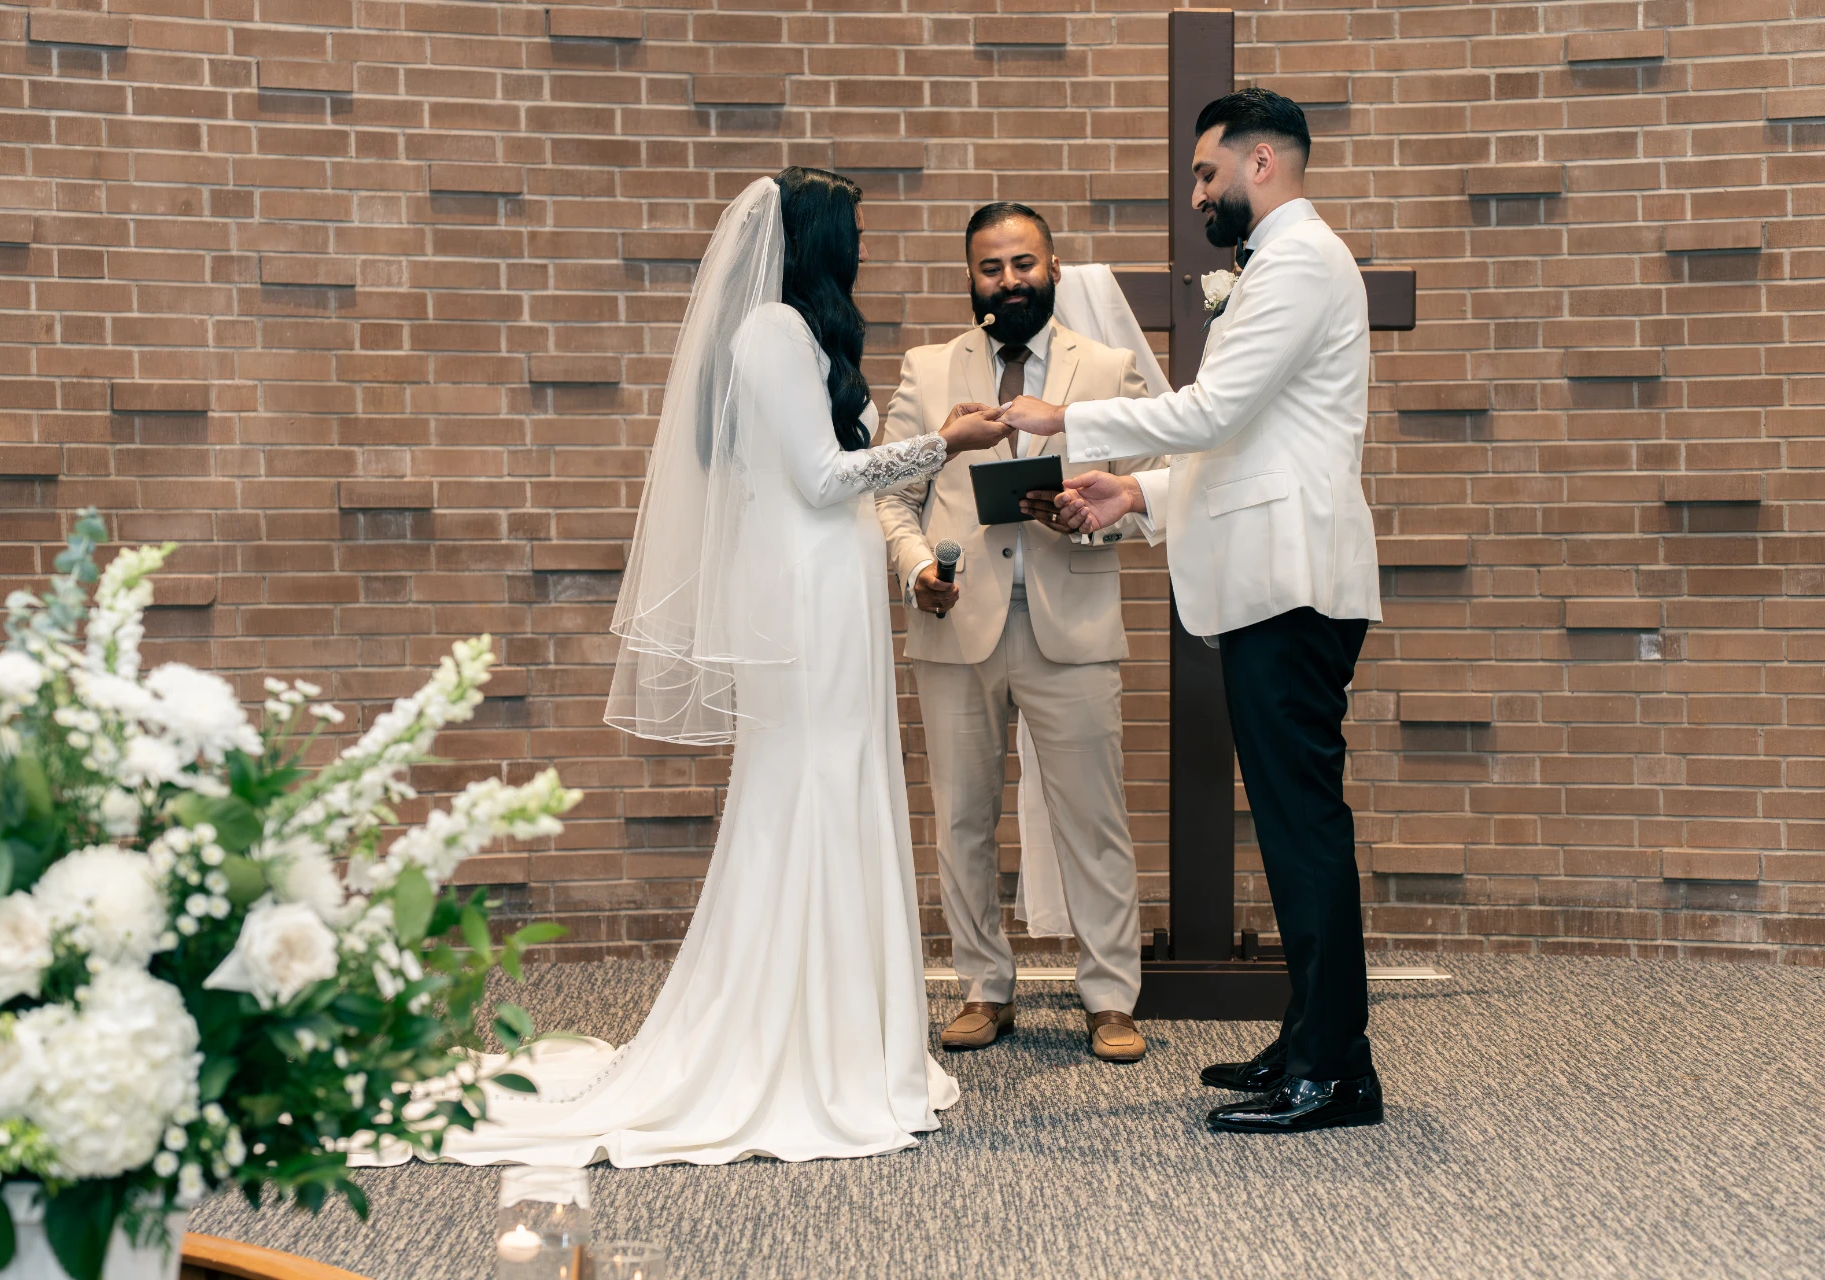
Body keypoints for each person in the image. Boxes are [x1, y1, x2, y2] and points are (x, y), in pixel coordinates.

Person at [387, 169, 1015, 1168]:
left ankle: (848, 1033)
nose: (863, 243)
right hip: (803, 595)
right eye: (852, 230)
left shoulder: (803, 335)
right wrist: (943, 443)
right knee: (807, 785)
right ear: (816, 239)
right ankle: (795, 1038)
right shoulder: (772, 332)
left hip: (833, 586)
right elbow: (820, 478)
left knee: (841, 781)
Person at [1004, 90, 1385, 1134]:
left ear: (1262, 162)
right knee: (1294, 825)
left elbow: (1214, 412)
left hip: (1291, 583)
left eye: (1206, 173)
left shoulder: (1299, 262)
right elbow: (1249, 444)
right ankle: (1311, 1040)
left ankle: (1333, 1071)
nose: (1197, 194)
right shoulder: (1279, 265)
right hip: (1270, 577)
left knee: (1304, 828)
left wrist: (1065, 415)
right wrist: (1135, 493)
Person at [875, 202, 1161, 1063]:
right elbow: (891, 495)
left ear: (1054, 268)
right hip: (956, 621)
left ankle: (1110, 997)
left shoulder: (1106, 368)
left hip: (1072, 625)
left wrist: (1092, 518)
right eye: (991, 267)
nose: (1008, 281)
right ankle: (982, 987)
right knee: (962, 819)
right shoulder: (928, 370)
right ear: (972, 277)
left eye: (1024, 263)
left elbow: (1158, 484)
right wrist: (917, 570)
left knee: (1093, 819)